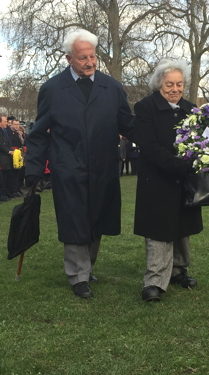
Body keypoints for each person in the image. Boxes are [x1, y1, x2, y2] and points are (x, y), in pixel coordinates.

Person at [25, 29, 135, 299]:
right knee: (75, 219)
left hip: (103, 166)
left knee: (98, 217)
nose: (90, 62)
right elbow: (39, 133)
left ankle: (87, 267)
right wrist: (33, 169)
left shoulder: (112, 87)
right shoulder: (52, 89)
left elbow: (128, 123)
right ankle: (78, 275)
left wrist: (160, 135)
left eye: (93, 56)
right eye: (83, 57)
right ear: (69, 59)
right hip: (68, 166)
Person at [133, 58, 203, 302]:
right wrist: (179, 165)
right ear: (158, 85)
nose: (174, 89)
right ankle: (154, 280)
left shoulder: (191, 109)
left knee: (182, 228)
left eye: (179, 84)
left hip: (183, 181)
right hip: (158, 179)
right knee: (158, 230)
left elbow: (201, 142)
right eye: (169, 85)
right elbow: (149, 147)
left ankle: (179, 270)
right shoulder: (145, 108)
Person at [0, 114, 14, 202]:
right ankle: (2, 194)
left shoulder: (5, 131)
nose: (6, 123)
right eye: (4, 121)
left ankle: (6, 193)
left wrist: (11, 149)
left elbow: (8, 142)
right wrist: (8, 151)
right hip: (2, 157)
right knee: (2, 177)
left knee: (7, 176)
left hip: (7, 158)